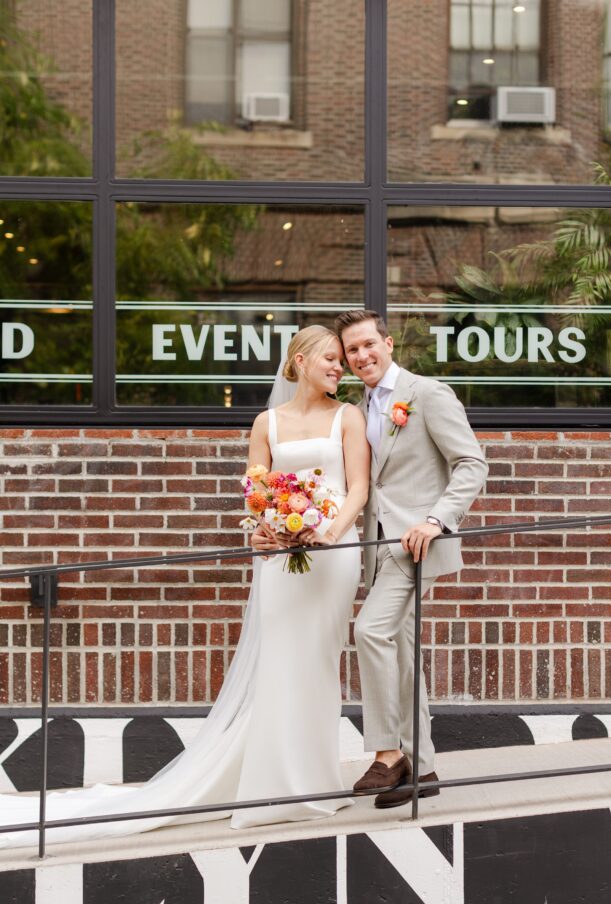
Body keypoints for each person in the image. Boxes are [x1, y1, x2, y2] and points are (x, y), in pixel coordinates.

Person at [0, 325, 370, 848]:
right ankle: (272, 785)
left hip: (334, 555)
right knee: (281, 662)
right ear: (300, 362)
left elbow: (358, 488)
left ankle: (314, 781)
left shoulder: (348, 417)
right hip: (279, 556)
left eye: (342, 360)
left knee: (319, 659)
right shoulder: (268, 422)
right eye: (330, 358)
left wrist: (327, 533)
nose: (340, 367)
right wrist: (268, 529)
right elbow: (256, 491)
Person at [335, 309, 488, 809]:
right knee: (398, 651)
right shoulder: (360, 405)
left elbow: (471, 462)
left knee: (369, 631)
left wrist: (437, 521)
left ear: (389, 343)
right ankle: (422, 769)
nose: (361, 357)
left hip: (416, 543)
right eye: (351, 351)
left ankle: (387, 756)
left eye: (367, 345)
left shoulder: (427, 394)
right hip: (378, 547)